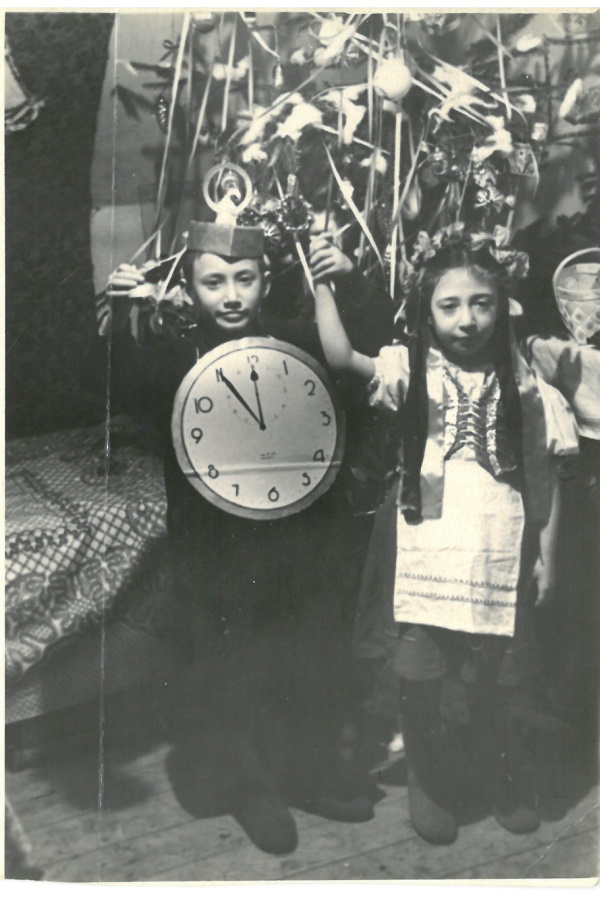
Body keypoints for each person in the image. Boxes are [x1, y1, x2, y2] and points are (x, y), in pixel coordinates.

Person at [88, 207, 390, 856]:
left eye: (244, 279)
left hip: (299, 538)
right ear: (189, 287)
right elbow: (113, 386)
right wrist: (121, 317)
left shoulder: (297, 338)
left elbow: (364, 354)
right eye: (214, 281)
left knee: (305, 654)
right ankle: (250, 788)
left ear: (265, 281)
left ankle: (305, 774)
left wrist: (350, 278)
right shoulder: (173, 355)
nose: (231, 295)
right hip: (215, 549)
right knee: (233, 666)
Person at [312, 234, 579, 845]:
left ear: (502, 306)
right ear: (426, 312)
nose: (467, 319)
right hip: (425, 545)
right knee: (423, 670)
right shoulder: (412, 372)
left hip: (497, 546)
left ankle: (498, 772)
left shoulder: (527, 387)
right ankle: (428, 778)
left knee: (497, 675)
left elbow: (543, 477)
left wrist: (546, 556)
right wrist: (322, 284)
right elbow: (341, 357)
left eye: (481, 302)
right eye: (450, 305)